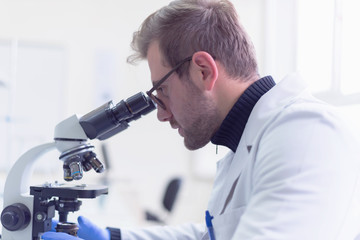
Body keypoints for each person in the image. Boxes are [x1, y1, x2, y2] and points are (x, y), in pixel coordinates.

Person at [42, 0, 360, 239]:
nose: (162, 114)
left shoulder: (305, 131)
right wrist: (114, 237)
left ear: (203, 71)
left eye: (162, 90)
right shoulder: (243, 145)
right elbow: (209, 237)